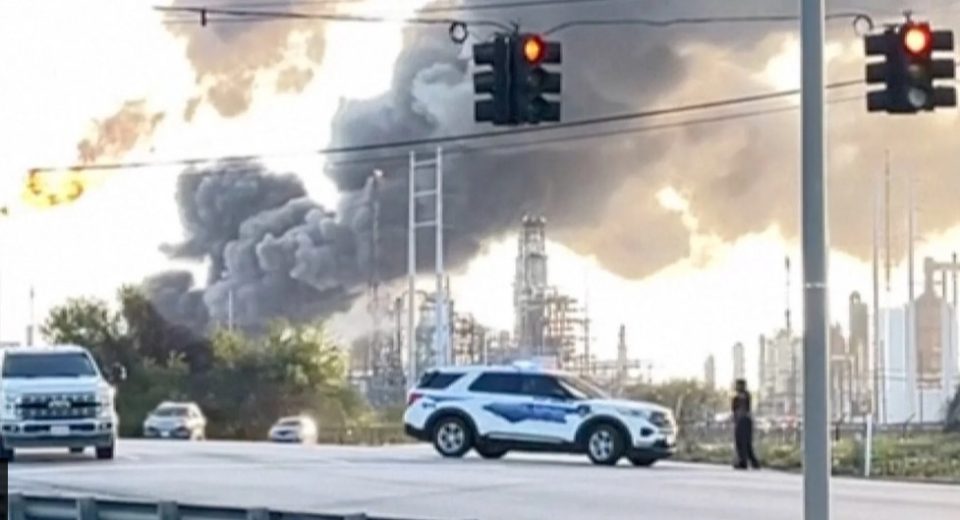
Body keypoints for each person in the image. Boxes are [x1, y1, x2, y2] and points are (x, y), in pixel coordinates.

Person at [731, 379, 760, 469]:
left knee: (742, 442)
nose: (736, 387)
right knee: (745, 443)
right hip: (742, 420)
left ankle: (743, 462)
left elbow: (741, 408)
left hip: (743, 421)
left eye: (737, 385)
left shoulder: (743, 396)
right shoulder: (740, 396)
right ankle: (753, 462)